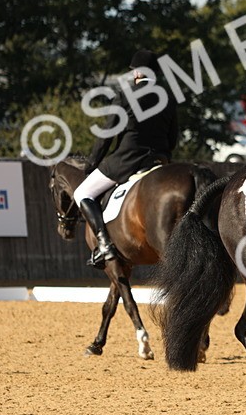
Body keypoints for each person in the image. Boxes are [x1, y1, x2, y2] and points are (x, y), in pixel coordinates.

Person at [74, 49, 178, 268]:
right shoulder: (168, 96)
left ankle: (104, 244)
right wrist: (164, 157)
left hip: (127, 160)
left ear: (138, 73)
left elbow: (107, 134)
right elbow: (172, 137)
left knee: (82, 192)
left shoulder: (125, 94)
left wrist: (92, 163)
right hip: (159, 161)